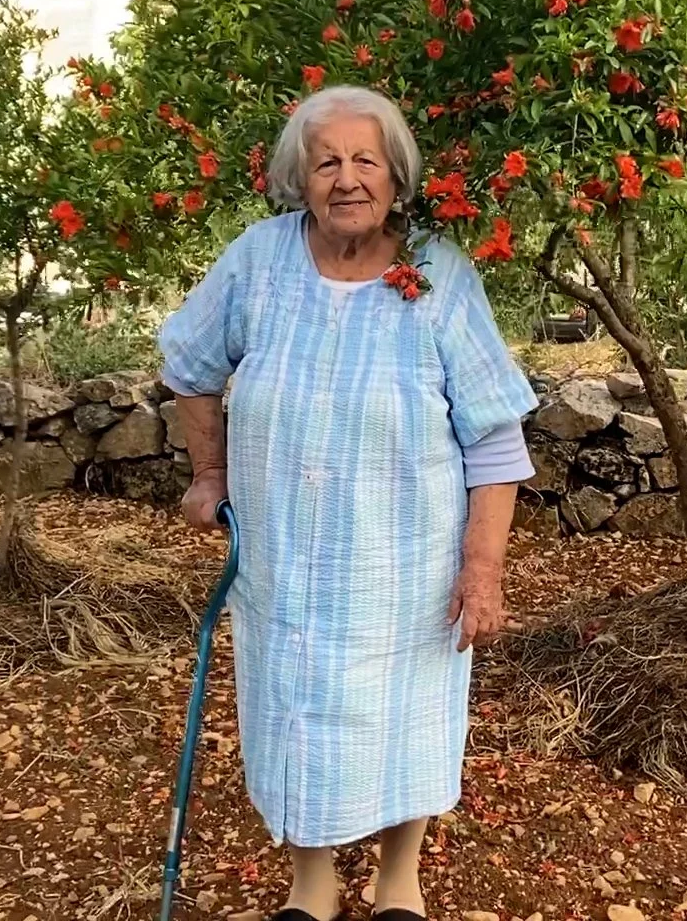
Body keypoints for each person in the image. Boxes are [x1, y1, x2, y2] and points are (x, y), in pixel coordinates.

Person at [158, 85, 537, 921]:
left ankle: (399, 877)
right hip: (283, 556)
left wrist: (482, 570)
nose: (347, 177)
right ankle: (313, 882)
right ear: (300, 178)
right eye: (326, 161)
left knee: (407, 714)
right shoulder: (259, 260)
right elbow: (188, 362)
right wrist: (209, 474)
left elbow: (493, 435)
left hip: (404, 563)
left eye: (366, 159)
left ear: (396, 177)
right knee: (294, 712)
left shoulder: (436, 272)